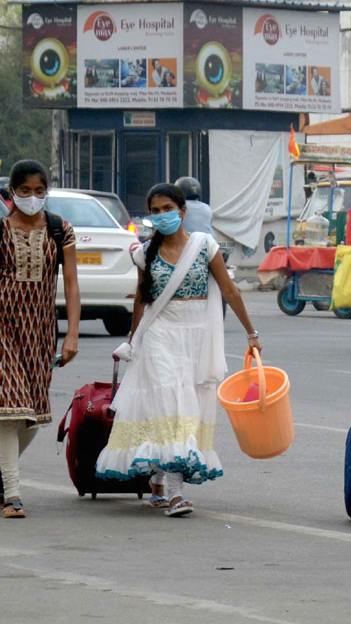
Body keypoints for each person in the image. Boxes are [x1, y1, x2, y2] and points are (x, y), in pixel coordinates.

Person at [96, 183, 264, 518]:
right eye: (155, 211)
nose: (162, 216)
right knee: (173, 400)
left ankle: (159, 482)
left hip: (196, 334)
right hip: (160, 334)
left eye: (167, 209)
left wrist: (251, 332)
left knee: (183, 405)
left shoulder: (205, 246)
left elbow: (230, 290)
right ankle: (175, 494)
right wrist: (133, 340)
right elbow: (142, 299)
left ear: (183, 211)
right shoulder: (145, 252)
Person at [0, 160, 79, 518]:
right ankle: (13, 494)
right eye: (25, 191)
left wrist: (72, 332)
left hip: (41, 329)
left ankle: (2, 475)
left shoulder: (61, 230)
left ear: (47, 192)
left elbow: (71, 285)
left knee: (33, 416)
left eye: (39, 191)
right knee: (10, 412)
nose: (32, 197)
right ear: (12, 192)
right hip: (0, 325)